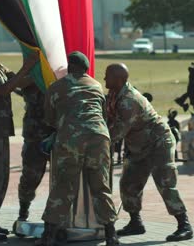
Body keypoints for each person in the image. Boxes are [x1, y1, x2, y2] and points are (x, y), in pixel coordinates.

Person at [37, 51, 119, 246]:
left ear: (70, 67)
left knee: (63, 186)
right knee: (101, 186)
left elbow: (49, 118)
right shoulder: (96, 85)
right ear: (86, 69)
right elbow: (103, 114)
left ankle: (48, 236)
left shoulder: (57, 87)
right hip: (99, 137)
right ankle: (111, 235)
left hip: (70, 139)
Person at [105, 63, 193, 242]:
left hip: (158, 143)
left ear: (120, 79)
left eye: (108, 76)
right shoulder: (113, 95)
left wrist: (96, 144)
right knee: (129, 183)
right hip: (139, 146)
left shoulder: (129, 100)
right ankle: (136, 223)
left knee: (165, 183)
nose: (105, 79)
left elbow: (117, 132)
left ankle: (185, 225)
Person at [0, 52, 39, 241]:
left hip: (1, 130)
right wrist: (28, 66)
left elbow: (18, 82)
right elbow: (3, 89)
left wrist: (38, 73)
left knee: (0, 177)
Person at [16, 83, 54, 224]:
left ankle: (58, 217)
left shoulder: (59, 72)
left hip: (57, 134)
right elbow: (16, 85)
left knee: (62, 179)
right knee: (30, 177)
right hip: (34, 137)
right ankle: (23, 212)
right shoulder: (32, 77)